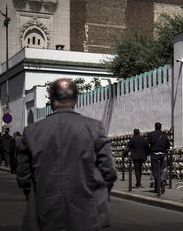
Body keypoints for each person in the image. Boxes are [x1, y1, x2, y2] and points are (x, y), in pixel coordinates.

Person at [16, 78, 117, 230]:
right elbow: (109, 171)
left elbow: (24, 176)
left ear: (51, 99)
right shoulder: (94, 128)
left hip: (44, 214)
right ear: (75, 99)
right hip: (86, 214)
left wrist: (39, 194)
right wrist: (96, 193)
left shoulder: (31, 132)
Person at [146, 122, 170, 195]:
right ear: (161, 127)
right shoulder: (164, 134)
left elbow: (146, 144)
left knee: (155, 171)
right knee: (161, 170)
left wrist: (149, 150)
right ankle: (157, 188)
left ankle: (160, 183)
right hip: (162, 154)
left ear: (155, 127)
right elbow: (168, 145)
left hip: (154, 154)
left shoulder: (151, 134)